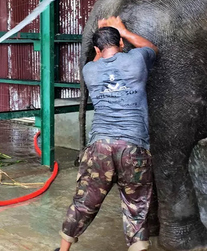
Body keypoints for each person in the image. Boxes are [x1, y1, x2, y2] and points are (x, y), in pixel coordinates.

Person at [56, 16, 159, 251]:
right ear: (122, 44)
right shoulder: (137, 59)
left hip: (99, 148)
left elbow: (97, 59)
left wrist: (100, 42)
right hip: (133, 149)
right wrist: (122, 30)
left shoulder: (89, 70)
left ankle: (63, 250)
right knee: (136, 207)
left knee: (83, 202)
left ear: (96, 49)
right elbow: (151, 48)